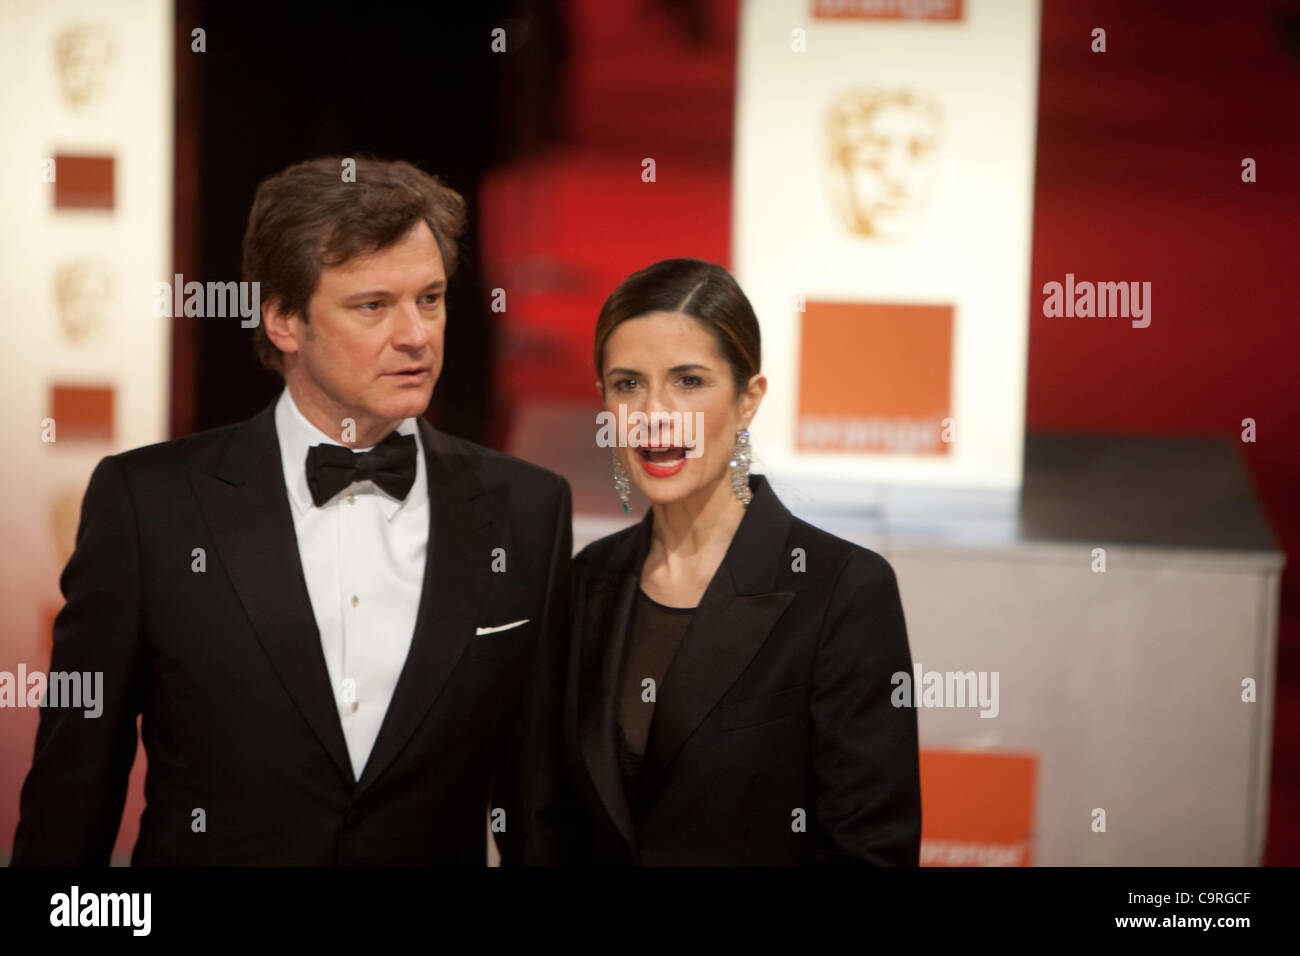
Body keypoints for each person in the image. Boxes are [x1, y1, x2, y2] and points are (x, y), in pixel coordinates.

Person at [12, 157, 572, 866]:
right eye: (373, 305)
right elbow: (70, 799)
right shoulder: (148, 507)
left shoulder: (528, 508)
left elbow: (538, 810)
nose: (417, 335)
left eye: (429, 299)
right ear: (282, 319)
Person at [559, 258, 921, 865]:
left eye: (688, 381)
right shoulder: (584, 581)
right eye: (628, 385)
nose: (655, 414)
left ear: (748, 398)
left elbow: (871, 851)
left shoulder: (842, 591)